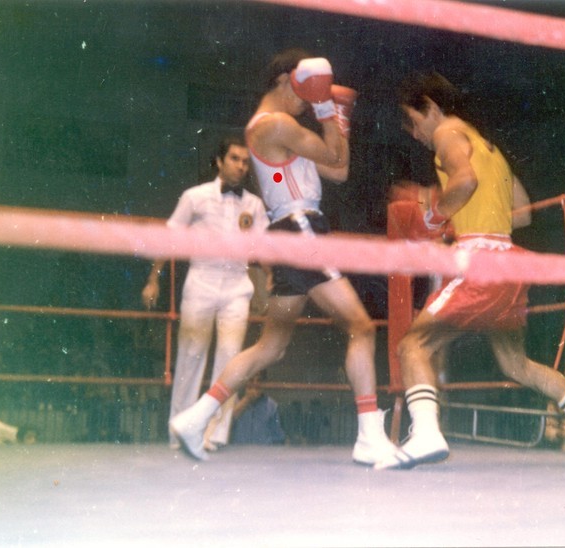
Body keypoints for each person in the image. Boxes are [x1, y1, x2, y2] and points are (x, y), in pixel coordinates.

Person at [376, 71, 565, 469]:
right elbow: (522, 212)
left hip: (479, 263)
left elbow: (465, 181)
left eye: (412, 120)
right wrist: (456, 210)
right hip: (508, 263)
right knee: (516, 364)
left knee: (412, 345)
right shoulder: (489, 148)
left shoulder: (447, 133)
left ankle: (425, 435)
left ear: (431, 107)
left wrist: (433, 215)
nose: (414, 133)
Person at [170, 49, 396, 464]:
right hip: (301, 229)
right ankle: (369, 436)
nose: (307, 101)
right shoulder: (274, 124)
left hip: (290, 232)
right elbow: (335, 155)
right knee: (361, 328)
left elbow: (339, 170)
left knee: (270, 347)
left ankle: (194, 418)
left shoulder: (283, 129)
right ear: (282, 81)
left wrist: (335, 119)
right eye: (303, 91)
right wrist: (328, 110)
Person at [142, 135, 269, 451]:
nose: (241, 166)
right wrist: (153, 278)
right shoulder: (194, 197)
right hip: (201, 281)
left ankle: (214, 434)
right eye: (235, 159)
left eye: (245, 161)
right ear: (220, 161)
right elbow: (170, 237)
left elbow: (266, 247)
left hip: (237, 286)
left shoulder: (254, 204)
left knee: (230, 361)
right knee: (190, 356)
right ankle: (178, 432)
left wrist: (271, 278)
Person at [226, 375, 286, 445]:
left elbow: (278, 439)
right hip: (237, 451)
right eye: (251, 380)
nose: (255, 384)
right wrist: (247, 399)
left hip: (263, 451)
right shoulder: (233, 402)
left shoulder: (272, 406)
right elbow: (225, 429)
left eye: (259, 381)